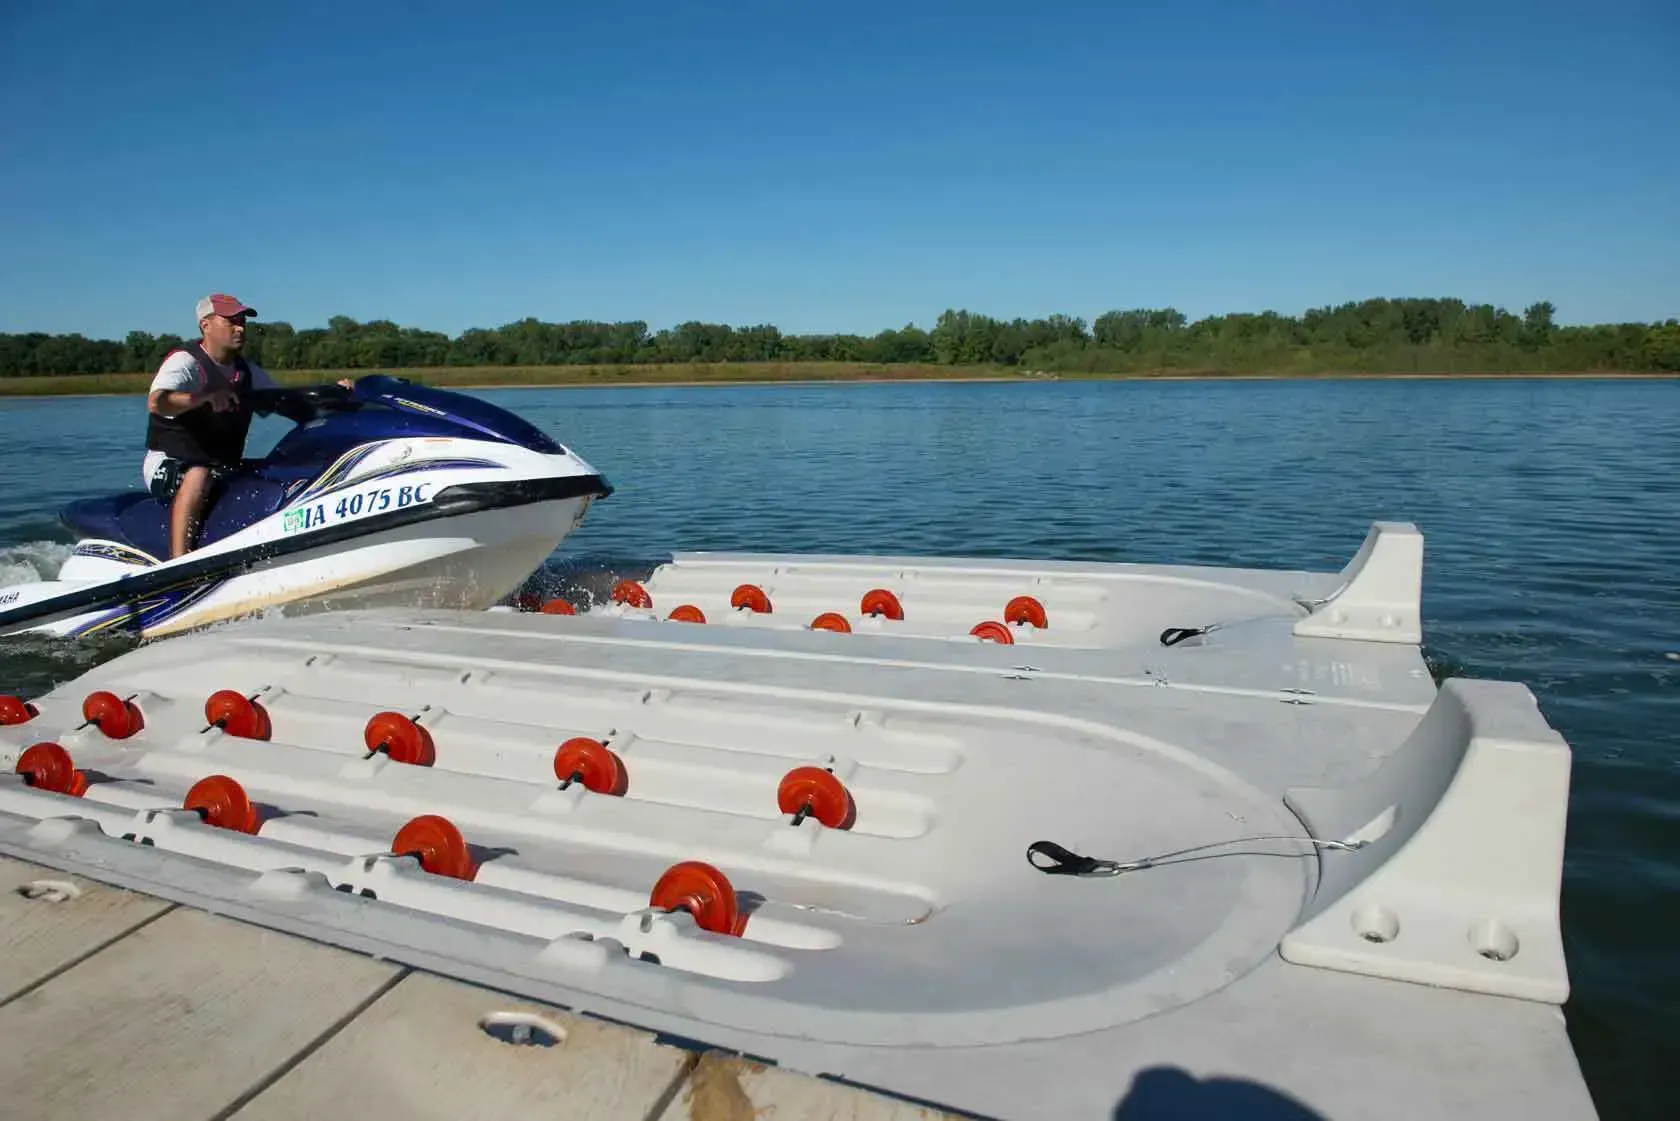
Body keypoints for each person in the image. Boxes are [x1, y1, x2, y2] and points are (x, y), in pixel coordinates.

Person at [144, 293, 348, 558]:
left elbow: (289, 404)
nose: (240, 327)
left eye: (242, 321)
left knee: (281, 470)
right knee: (199, 474)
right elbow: (158, 402)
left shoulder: (248, 372)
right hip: (167, 462)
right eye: (230, 321)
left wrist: (337, 396)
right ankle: (178, 563)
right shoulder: (186, 362)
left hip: (223, 465)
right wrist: (201, 398)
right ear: (205, 325)